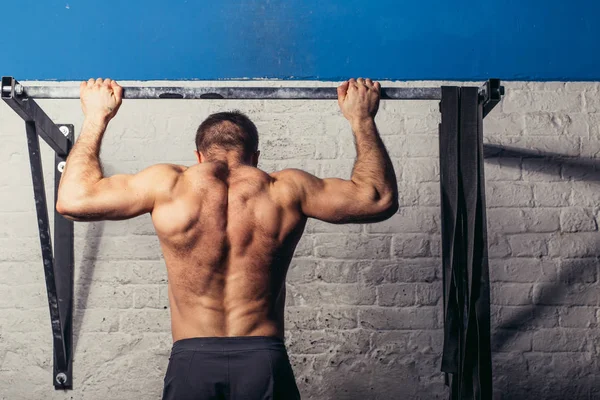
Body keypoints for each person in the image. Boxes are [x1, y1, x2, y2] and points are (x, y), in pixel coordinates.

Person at [56, 77, 399, 399]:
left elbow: (73, 201)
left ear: (199, 156)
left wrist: (97, 117)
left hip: (193, 362)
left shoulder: (168, 185)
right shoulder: (285, 189)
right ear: (255, 156)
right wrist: (361, 119)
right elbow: (377, 198)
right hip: (263, 360)